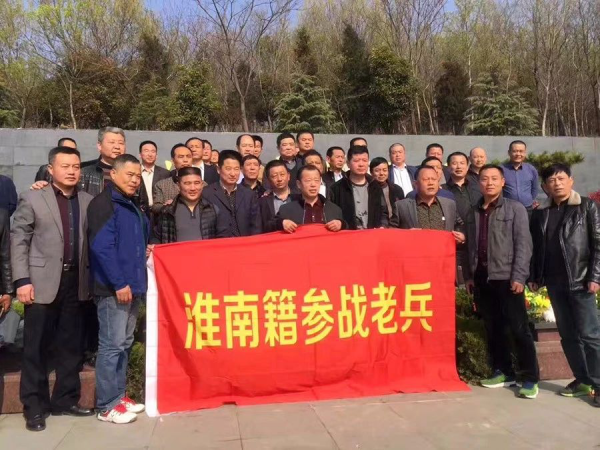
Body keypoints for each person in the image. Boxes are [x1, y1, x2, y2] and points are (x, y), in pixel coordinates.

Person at [11, 146, 94, 432]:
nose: (71, 171)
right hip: (40, 282)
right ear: (51, 169)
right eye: (65, 166)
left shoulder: (87, 200)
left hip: (76, 283)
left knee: (71, 346)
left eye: (76, 166)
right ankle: (34, 407)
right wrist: (22, 280)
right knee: (36, 347)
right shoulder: (33, 197)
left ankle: (65, 400)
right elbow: (19, 239)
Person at [464, 164, 539, 399]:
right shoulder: (473, 211)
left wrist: (519, 276)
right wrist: (469, 276)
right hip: (482, 277)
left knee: (519, 328)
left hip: (507, 277)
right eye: (485, 179)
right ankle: (504, 371)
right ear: (479, 183)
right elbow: (470, 247)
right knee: (493, 327)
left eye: (494, 178)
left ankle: (530, 377)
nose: (489, 183)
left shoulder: (515, 209)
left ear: (503, 182)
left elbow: (524, 245)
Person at [530, 164, 600, 405]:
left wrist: (595, 276)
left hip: (581, 282)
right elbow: (537, 248)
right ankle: (583, 380)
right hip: (555, 283)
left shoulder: (587, 206)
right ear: (545, 186)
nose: (557, 183)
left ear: (571, 180)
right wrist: (535, 276)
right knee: (568, 336)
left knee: (590, 336)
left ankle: (598, 383)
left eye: (561, 178)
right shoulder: (541, 213)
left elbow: (598, 243)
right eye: (551, 180)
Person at [87, 154, 148, 424]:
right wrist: (119, 282)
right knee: (111, 345)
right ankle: (106, 405)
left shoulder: (131, 203)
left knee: (124, 343)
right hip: (114, 289)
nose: (134, 180)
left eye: (138, 176)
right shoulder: (104, 204)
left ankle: (119, 396)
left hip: (132, 286)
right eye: (129, 175)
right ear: (113, 174)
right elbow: (102, 247)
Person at [393, 166, 465, 245]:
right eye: (426, 179)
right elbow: (391, 231)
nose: (431, 183)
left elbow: (459, 225)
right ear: (416, 184)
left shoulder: (449, 204)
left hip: (443, 251)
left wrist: (461, 237)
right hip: (415, 250)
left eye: (434, 179)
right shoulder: (401, 206)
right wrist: (406, 234)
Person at [151, 167, 217, 244]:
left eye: (196, 183)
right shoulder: (168, 212)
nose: (193, 188)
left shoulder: (213, 210)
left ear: (202, 185)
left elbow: (222, 239)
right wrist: (153, 245)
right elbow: (157, 237)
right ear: (178, 185)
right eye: (187, 183)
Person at [203, 150, 260, 238]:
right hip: (218, 243)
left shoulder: (249, 194)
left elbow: (256, 225)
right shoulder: (206, 193)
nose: (233, 174)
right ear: (218, 169)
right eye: (228, 169)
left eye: (236, 169)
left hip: (244, 243)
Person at [329, 145, 387, 229]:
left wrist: (382, 226)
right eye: (356, 161)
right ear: (348, 163)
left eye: (364, 160)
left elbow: (384, 212)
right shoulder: (336, 188)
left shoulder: (375, 186)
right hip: (348, 234)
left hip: (372, 234)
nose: (361, 164)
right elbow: (331, 214)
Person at [275, 165, 346, 233]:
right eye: (308, 180)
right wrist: (281, 223)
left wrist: (341, 225)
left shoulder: (334, 209)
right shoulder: (286, 209)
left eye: (316, 180)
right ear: (299, 184)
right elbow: (270, 226)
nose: (313, 185)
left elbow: (346, 232)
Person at [79, 127, 126, 197]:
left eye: (121, 143)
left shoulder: (132, 172)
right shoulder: (84, 173)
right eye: (112, 142)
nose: (117, 147)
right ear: (99, 146)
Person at [151, 144, 193, 214]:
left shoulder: (202, 184)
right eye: (181, 157)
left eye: (188, 156)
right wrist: (168, 206)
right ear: (173, 161)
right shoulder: (161, 185)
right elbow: (156, 207)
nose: (185, 160)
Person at [443, 151, 482, 223]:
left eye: (462, 163)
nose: (459, 167)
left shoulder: (478, 188)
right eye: (454, 163)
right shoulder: (442, 190)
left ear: (467, 167)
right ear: (448, 168)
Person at [502, 140, 539, 214]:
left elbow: (534, 188)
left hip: (527, 208)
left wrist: (530, 200)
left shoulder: (531, 169)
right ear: (509, 152)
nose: (518, 154)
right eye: (515, 151)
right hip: (508, 209)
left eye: (521, 151)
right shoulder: (501, 169)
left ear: (525, 153)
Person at [257, 160, 293, 233]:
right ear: (269, 180)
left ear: (288, 176)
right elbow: (262, 226)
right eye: (274, 176)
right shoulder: (262, 202)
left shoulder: (300, 197)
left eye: (282, 174)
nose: (279, 179)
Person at [138, 140, 171, 214]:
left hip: (159, 213)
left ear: (156, 155)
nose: (150, 154)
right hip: (139, 212)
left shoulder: (165, 173)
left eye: (153, 151)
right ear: (140, 155)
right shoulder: (134, 171)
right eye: (146, 151)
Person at [370, 157, 403, 227]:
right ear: (371, 172)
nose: (381, 173)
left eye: (384, 170)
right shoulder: (368, 190)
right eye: (377, 171)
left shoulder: (397, 189)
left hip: (396, 227)